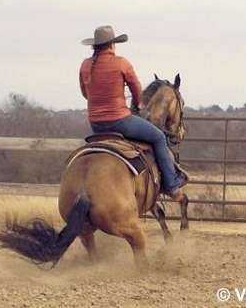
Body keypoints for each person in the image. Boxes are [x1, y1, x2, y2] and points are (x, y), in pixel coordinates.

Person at [79, 25, 186, 195]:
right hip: (121, 122)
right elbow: (137, 90)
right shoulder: (121, 63)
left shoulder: (85, 65)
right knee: (158, 137)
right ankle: (172, 183)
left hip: (96, 125)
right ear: (112, 45)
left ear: (95, 46)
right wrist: (139, 104)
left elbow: (86, 93)